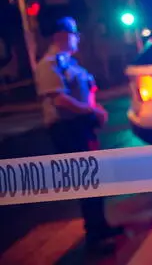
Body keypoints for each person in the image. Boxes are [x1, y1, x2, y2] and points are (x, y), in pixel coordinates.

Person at [34, 16, 123, 253]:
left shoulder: (72, 64)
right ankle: (94, 237)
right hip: (67, 130)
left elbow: (89, 91)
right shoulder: (49, 64)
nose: (78, 38)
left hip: (82, 127)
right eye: (74, 33)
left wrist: (97, 110)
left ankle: (101, 225)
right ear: (60, 35)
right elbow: (60, 100)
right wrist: (90, 110)